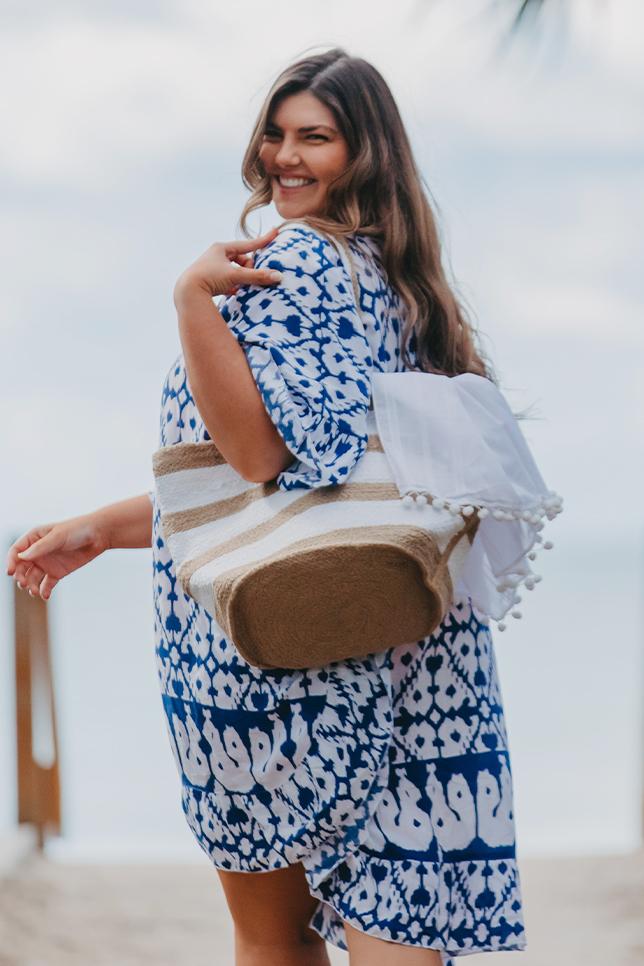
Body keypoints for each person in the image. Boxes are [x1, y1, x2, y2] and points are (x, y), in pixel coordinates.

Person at [6, 48, 527, 966]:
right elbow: (285, 492)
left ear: (366, 154)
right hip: (406, 643)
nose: (285, 156)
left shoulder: (287, 267)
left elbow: (256, 454)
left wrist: (191, 303)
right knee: (400, 937)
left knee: (270, 937)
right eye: (276, 135)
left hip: (271, 658)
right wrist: (104, 527)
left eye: (314, 138)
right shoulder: (411, 296)